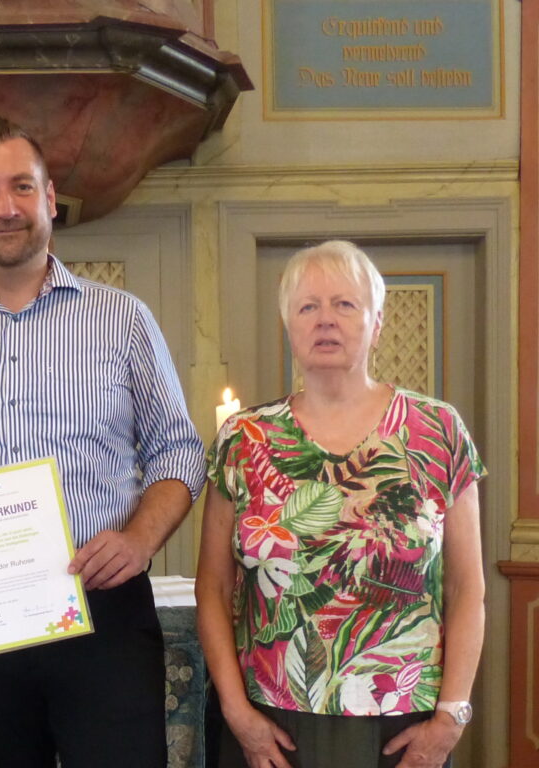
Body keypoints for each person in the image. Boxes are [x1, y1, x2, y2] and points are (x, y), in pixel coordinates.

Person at [0, 114, 206, 768]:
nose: (5, 208)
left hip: (104, 607)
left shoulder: (123, 319)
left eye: (22, 187)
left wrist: (140, 541)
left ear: (50, 198)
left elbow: (180, 451)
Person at [196, 240, 485, 768]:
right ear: (289, 325)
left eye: (345, 304)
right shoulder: (244, 439)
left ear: (377, 324)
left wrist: (450, 719)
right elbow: (212, 587)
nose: (325, 320)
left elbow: (468, 587)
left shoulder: (439, 431)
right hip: (272, 721)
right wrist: (238, 715)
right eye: (308, 306)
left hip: (403, 722)